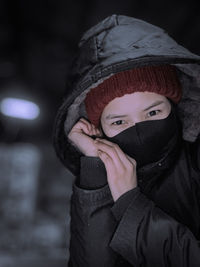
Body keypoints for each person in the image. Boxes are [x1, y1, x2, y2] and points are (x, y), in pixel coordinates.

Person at [53, 14, 200, 266]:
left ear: (176, 108)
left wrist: (129, 203)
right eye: (119, 121)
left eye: (153, 112)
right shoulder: (100, 176)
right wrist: (95, 170)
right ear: (99, 128)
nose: (139, 130)